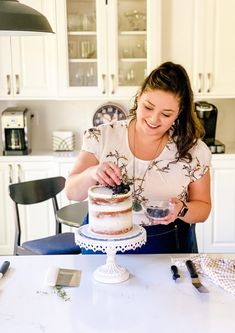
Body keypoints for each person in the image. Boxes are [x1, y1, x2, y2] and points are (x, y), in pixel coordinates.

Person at [65, 61, 212, 253]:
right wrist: (93, 173)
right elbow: (71, 192)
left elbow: (203, 208)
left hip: (165, 244)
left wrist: (182, 210)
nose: (153, 119)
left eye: (166, 114)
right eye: (148, 107)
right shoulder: (102, 136)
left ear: (179, 112)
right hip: (104, 242)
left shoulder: (193, 151)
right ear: (139, 96)